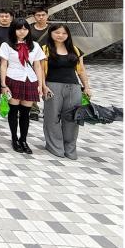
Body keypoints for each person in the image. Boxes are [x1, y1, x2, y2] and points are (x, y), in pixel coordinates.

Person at [40, 24, 90, 159]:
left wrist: (86, 86)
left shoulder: (75, 50)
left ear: (68, 35)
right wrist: (43, 86)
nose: (60, 35)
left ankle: (70, 149)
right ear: (50, 33)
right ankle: (55, 147)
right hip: (52, 86)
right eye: (57, 32)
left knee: (72, 118)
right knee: (52, 118)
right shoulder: (44, 50)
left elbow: (81, 70)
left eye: (64, 33)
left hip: (73, 87)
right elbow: (40, 71)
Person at [0, 19, 47, 154]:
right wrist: (3, 84)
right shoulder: (6, 45)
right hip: (13, 78)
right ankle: (14, 138)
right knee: (13, 111)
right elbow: (3, 65)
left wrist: (39, 84)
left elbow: (38, 66)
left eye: (25, 29)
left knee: (26, 113)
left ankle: (23, 140)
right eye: (19, 29)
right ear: (13, 30)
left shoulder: (35, 45)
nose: (22, 32)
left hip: (30, 80)